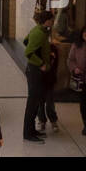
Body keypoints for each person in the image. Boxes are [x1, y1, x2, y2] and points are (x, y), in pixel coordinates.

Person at [22, 9, 54, 142]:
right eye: (52, 20)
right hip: (35, 71)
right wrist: (41, 63)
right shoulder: (40, 33)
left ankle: (31, 130)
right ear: (47, 21)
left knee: (35, 102)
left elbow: (25, 41)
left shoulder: (39, 30)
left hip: (35, 71)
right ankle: (28, 133)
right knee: (33, 102)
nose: (53, 22)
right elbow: (28, 52)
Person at [69, 25, 86, 136]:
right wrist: (75, 68)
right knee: (84, 104)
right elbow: (70, 59)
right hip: (82, 80)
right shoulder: (76, 45)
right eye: (85, 32)